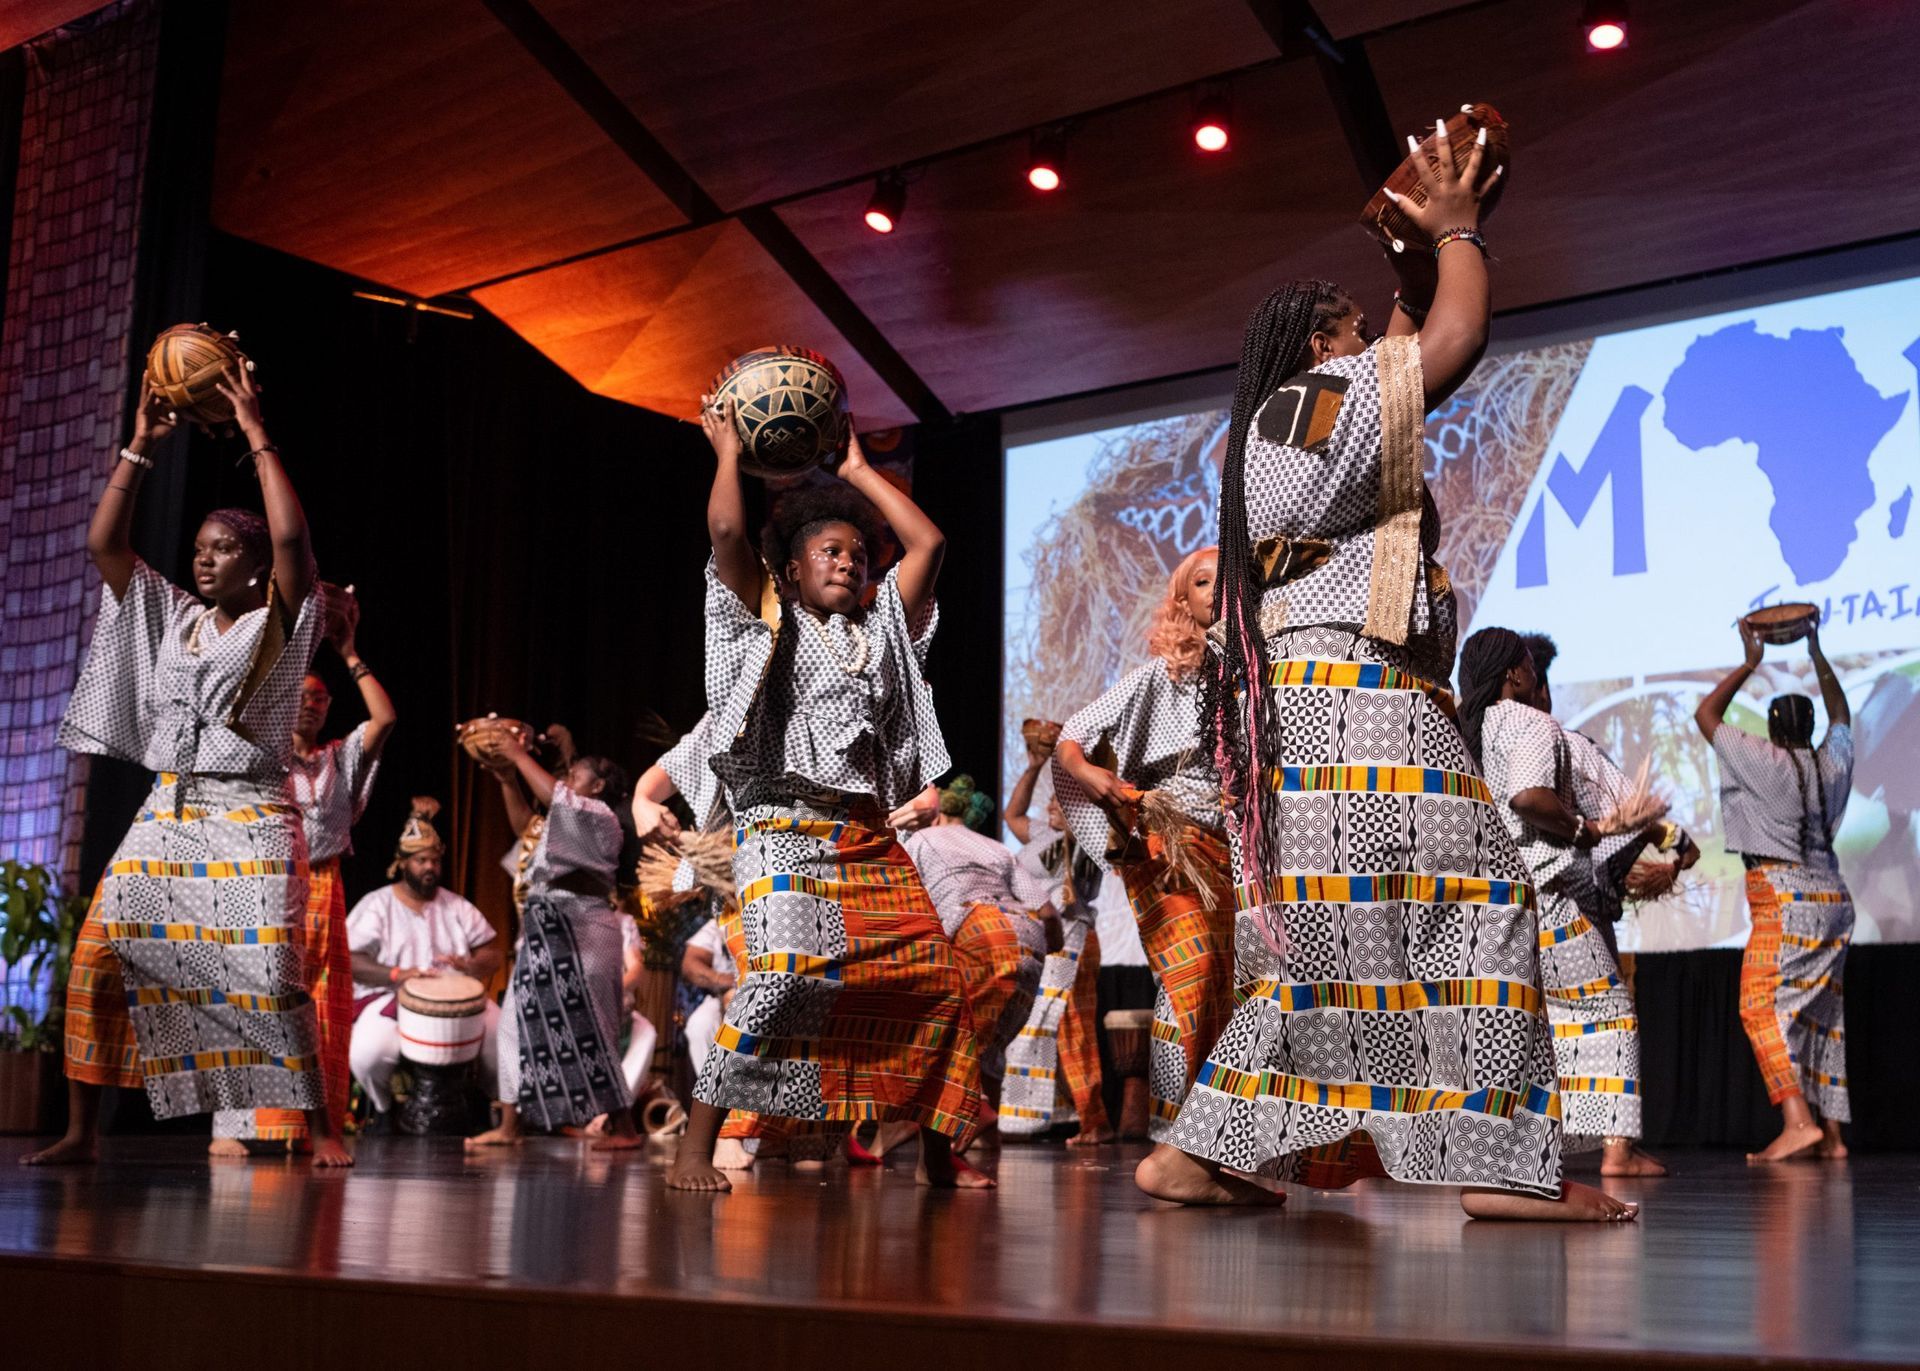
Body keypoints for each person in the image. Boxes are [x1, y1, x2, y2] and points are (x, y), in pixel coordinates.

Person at [1136, 124, 1632, 1219]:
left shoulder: (1290, 427)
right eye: (1356, 333)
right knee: (1486, 900)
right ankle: (1502, 1172)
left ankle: (1194, 1153)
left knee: (1340, 940)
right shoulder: (1316, 405)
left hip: (1327, 708)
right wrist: (1457, 225)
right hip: (1358, 702)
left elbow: (1410, 330)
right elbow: (1448, 338)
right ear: (1320, 348)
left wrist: (1405, 257)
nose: (1376, 346)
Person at [25, 364, 352, 1167]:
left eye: (223, 550)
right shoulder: (173, 616)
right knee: (100, 958)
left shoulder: (281, 621)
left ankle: (323, 1129)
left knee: (269, 976)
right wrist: (139, 444)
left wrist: (254, 429)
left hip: (250, 813)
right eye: (200, 548)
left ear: (252, 566)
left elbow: (291, 542)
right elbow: (105, 542)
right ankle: (80, 1132)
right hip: (168, 811)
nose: (205, 561)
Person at [667, 409, 986, 1192]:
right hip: (782, 829)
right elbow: (728, 537)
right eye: (827, 550)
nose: (845, 561)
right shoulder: (768, 618)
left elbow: (930, 545)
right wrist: (729, 453)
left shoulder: (884, 632)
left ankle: (940, 1154)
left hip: (866, 839)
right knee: (781, 979)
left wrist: (854, 474)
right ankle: (694, 1147)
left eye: (854, 552)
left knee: (939, 979)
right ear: (795, 567)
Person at [1460, 628, 1673, 1178]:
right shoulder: (1531, 723)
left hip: (1499, 908)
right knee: (1608, 1011)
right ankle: (1617, 1151)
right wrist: (1586, 829)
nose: (1535, 673)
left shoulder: (1473, 733)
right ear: (1515, 674)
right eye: (1530, 664)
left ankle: (1519, 1150)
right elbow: (1528, 798)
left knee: (1544, 1026)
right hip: (1551, 897)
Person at [1052, 546, 1235, 1139]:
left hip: (1233, 844)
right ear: (1183, 600)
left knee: (1228, 981)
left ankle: (1204, 1129)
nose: (1216, 589)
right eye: (1201, 582)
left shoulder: (1254, 673)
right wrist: (1091, 775)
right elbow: (1072, 738)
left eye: (1225, 579)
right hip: (1169, 840)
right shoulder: (1162, 674)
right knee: (1197, 968)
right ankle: (1195, 1130)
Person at [211, 592, 396, 1154]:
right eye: (300, 695)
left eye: (320, 698)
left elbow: (385, 717)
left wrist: (349, 651)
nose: (311, 705)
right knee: (252, 999)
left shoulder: (339, 758)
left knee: (320, 1009)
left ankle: (309, 1129)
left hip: (324, 886)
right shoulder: (260, 755)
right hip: (263, 885)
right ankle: (235, 1127)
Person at [1695, 619, 1855, 1163]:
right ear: (1808, 726)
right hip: (1833, 900)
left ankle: (1797, 1120)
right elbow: (1842, 716)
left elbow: (1706, 717)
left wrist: (1750, 662)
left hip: (1784, 898)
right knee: (1820, 1018)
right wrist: (1816, 651)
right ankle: (1833, 1138)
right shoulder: (1830, 762)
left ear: (1770, 728)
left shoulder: (1764, 760)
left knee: (1758, 1007)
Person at [468, 735, 641, 1151]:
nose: (567, 777)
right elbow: (524, 826)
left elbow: (556, 796)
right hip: (545, 929)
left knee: (592, 1024)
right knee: (513, 1024)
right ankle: (510, 1126)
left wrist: (516, 753)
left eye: (576, 772)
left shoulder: (599, 815)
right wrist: (509, 777)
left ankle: (624, 1128)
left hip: (583, 928)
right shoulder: (564, 819)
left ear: (598, 785)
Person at [897, 776, 1055, 1141]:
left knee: (954, 1034)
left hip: (980, 932)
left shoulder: (920, 839)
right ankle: (987, 1139)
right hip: (1029, 940)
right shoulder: (997, 848)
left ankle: (970, 1111)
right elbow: (1047, 912)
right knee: (992, 1043)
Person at [346, 800, 502, 1116]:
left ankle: (497, 1112)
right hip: (391, 997)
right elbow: (350, 960)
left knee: (502, 1034)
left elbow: (493, 953)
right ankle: (383, 1110)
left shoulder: (456, 906)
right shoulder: (377, 905)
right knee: (370, 1052)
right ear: (403, 863)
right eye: (421, 860)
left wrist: (472, 966)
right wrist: (397, 975)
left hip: (455, 1003)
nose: (430, 867)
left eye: (434, 861)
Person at [998, 795, 1113, 1145]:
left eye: (1058, 804)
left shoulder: (1087, 842)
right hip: (1047, 939)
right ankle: (1067, 1115)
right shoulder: (1043, 835)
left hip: (1071, 938)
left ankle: (1095, 1121)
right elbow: (1012, 814)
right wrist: (1033, 766)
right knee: (1044, 1026)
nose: (1049, 809)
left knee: (1067, 1026)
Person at [681, 916, 736, 1079]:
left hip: (770, 990)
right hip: (726, 993)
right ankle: (715, 1096)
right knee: (700, 1025)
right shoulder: (721, 921)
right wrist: (725, 980)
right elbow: (690, 963)